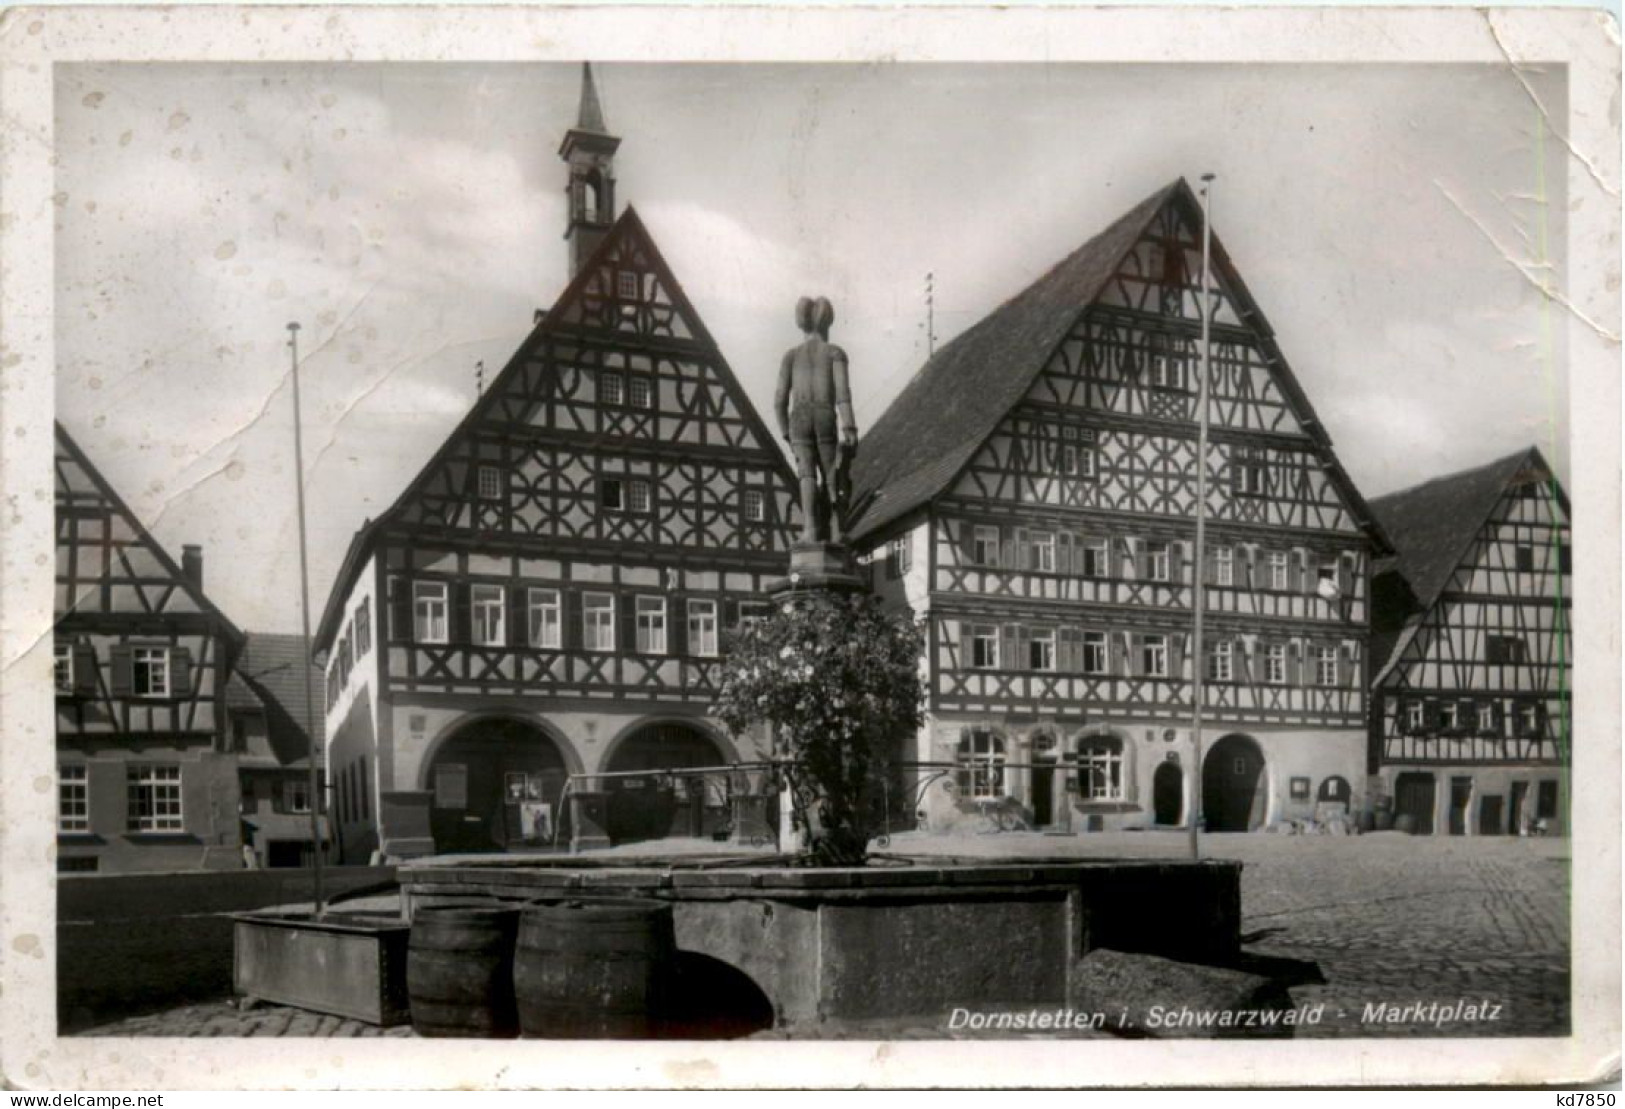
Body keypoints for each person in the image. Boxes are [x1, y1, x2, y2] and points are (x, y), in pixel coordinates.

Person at [775, 296, 857, 544]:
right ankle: (835, 531)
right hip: (824, 414)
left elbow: (779, 400)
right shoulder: (834, 353)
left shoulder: (790, 356)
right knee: (832, 472)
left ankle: (809, 531)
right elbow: (843, 395)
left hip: (798, 417)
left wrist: (786, 432)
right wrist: (849, 426)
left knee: (807, 475)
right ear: (827, 322)